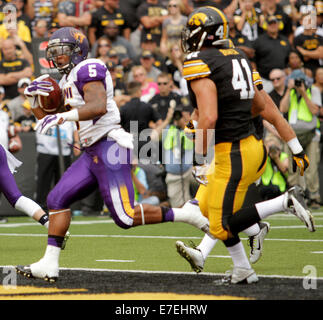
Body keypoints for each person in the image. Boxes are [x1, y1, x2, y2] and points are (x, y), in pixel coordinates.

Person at [16, 27, 209, 282]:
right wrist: (35, 102)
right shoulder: (66, 80)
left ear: (77, 51)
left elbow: (95, 107)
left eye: (61, 51)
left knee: (125, 216)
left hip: (110, 146)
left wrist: (62, 114)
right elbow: (52, 118)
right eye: (53, 53)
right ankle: (49, 264)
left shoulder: (89, 67)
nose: (57, 57)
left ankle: (186, 214)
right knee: (57, 198)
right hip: (91, 151)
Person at [176, 6, 314, 284]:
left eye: (192, 31)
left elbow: (211, 114)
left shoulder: (198, 61)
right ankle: (241, 257)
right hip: (252, 147)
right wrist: (296, 148)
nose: (189, 37)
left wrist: (199, 157)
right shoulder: (238, 57)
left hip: (233, 152)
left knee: (219, 219)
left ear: (204, 34)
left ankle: (280, 205)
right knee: (210, 211)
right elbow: (265, 109)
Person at [280, 69, 322, 209]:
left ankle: (314, 197)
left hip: (310, 135)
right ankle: (294, 197)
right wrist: (288, 90)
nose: (298, 83)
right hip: (293, 135)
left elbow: (315, 110)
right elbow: (282, 109)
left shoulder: (312, 90)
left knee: (312, 167)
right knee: (293, 168)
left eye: (300, 80)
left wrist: (303, 92)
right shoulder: (290, 92)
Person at [252, 15, 291, 93]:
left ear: (279, 25)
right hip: (265, 79)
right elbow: (253, 60)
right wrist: (256, 78)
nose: (273, 26)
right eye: (270, 24)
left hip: (282, 78)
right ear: (266, 26)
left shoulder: (285, 40)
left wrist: (288, 70)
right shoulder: (259, 41)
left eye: (275, 23)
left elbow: (288, 59)